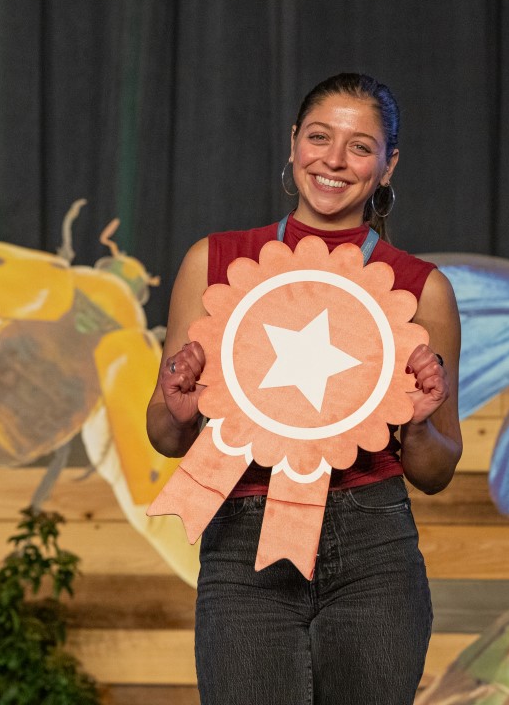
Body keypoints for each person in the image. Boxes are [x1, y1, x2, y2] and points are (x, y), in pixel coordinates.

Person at [146, 72, 463, 704]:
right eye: (320, 137)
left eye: (360, 147)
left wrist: (422, 421)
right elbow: (164, 435)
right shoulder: (213, 262)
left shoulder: (421, 289)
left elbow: (434, 472)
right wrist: (178, 409)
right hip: (242, 545)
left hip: (374, 553)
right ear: (294, 143)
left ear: (388, 165)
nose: (334, 160)